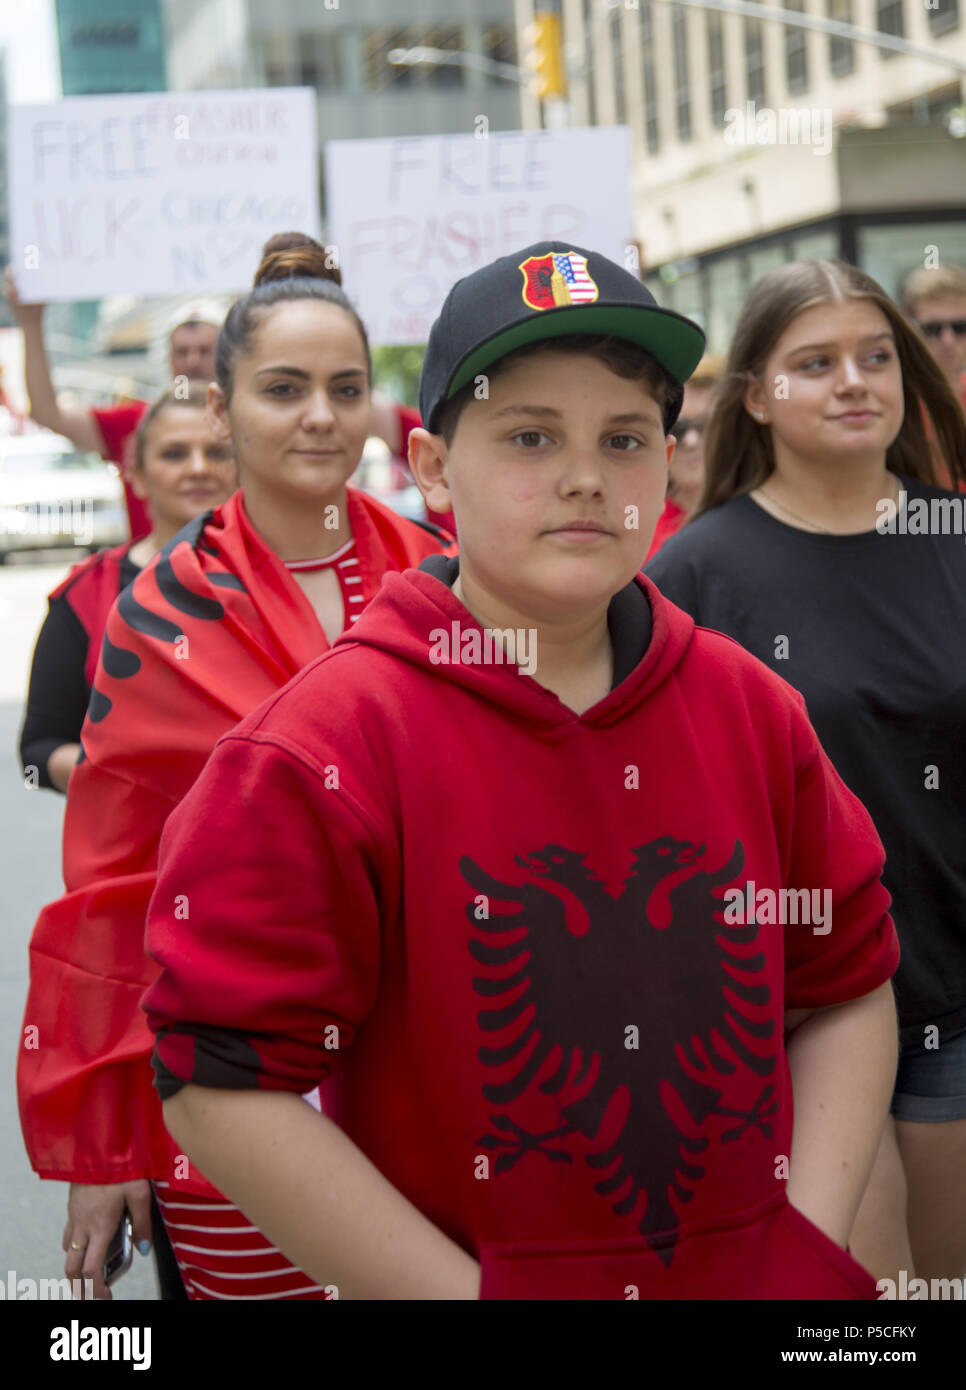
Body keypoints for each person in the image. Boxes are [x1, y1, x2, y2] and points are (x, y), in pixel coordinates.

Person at [143, 241, 898, 1300]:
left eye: (626, 438)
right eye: (531, 436)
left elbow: (848, 981)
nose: (586, 475)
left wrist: (799, 1242)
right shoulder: (323, 745)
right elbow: (215, 1078)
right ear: (435, 468)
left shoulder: (750, 707)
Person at [17, 233, 453, 1301]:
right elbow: (117, 891)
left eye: (345, 388)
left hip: (441, 1074)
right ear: (221, 410)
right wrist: (110, 1140)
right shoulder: (159, 611)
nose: (319, 415)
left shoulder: (446, 578)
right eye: (283, 388)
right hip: (236, 1090)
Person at [645, 258, 966, 1288]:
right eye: (816, 363)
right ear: (756, 396)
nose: (854, 381)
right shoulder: (689, 576)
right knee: (858, 1304)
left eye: (876, 358)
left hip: (957, 999)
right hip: (792, 1017)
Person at [19, 382, 237, 793]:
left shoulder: (284, 580)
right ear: (135, 476)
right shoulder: (86, 594)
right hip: (134, 851)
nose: (198, 467)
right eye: (174, 454)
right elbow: (38, 751)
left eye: (217, 452)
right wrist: (128, 777)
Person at [3, 267, 223, 540]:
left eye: (217, 452)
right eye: (173, 453)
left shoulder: (250, 422)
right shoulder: (135, 422)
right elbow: (48, 413)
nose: (192, 361)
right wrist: (31, 324)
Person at [645, 355, 722, 561]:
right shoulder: (637, 527)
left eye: (705, 426)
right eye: (679, 428)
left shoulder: (757, 516)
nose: (691, 441)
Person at [899, 262, 966, 410]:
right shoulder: (895, 403)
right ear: (910, 331)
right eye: (932, 329)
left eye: (960, 327)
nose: (948, 340)